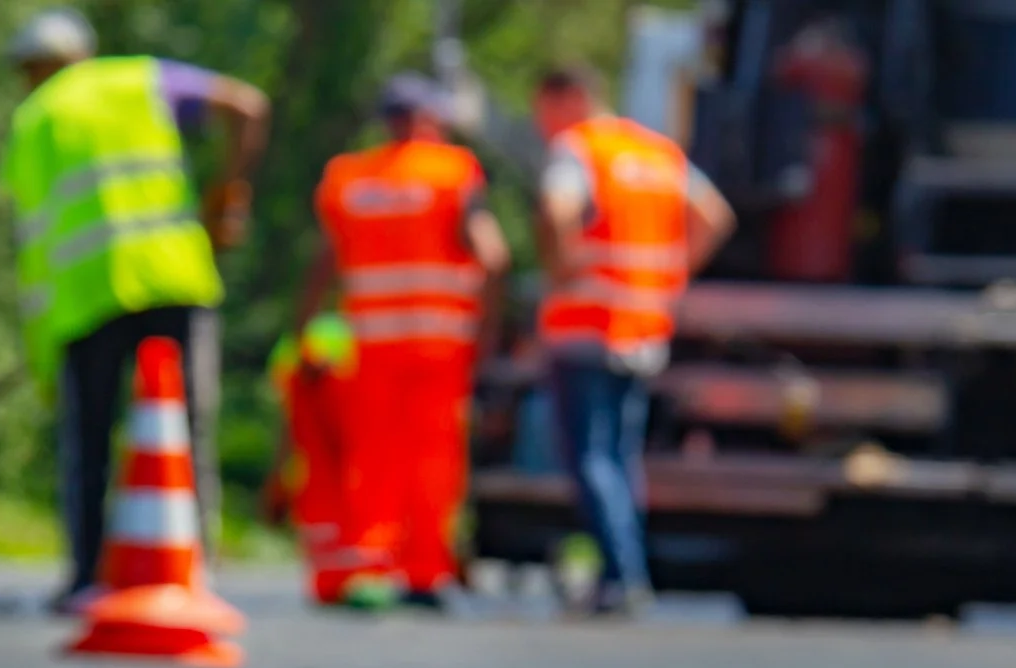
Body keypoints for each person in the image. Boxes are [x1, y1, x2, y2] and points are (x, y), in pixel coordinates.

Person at [0, 7, 270, 611]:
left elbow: (30, 236)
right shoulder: (142, 80)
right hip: (173, 276)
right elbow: (248, 106)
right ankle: (192, 570)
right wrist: (229, 193)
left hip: (87, 296)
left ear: (36, 68)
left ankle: (85, 578)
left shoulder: (33, 119)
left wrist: (41, 340)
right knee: (188, 428)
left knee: (90, 438)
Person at [295, 74, 510, 611]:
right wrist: (489, 335)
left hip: (371, 347)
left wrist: (301, 330)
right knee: (434, 461)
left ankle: (369, 567)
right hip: (440, 349)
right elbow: (494, 257)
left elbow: (324, 262)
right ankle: (426, 573)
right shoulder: (451, 172)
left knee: (372, 460)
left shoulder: (349, 177)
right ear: (429, 120)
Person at [532, 65, 734, 617]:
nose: (539, 125)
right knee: (621, 457)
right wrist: (671, 277)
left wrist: (560, 266)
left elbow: (557, 207)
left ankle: (620, 576)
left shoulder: (578, 149)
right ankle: (627, 569)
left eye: (541, 111)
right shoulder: (656, 152)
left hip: (588, 326)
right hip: (645, 325)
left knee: (591, 457)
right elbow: (714, 216)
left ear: (568, 98)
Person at [261, 313, 368, 606]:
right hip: (324, 474)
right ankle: (339, 581)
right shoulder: (306, 356)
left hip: (342, 471)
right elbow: (290, 422)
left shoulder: (350, 339)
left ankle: (347, 580)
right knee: (329, 522)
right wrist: (279, 475)